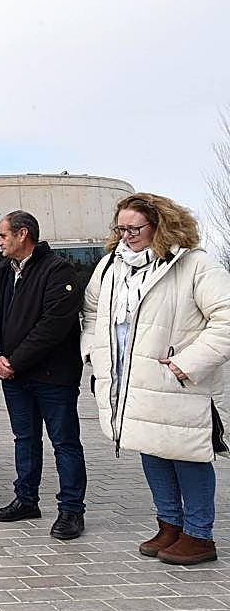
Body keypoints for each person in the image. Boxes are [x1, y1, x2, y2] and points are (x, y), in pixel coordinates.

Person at [82, 193, 230, 565]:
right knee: (151, 448)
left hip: (179, 381)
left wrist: (188, 363)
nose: (127, 235)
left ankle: (199, 535)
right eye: (121, 228)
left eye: (135, 228)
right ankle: (169, 525)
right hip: (131, 379)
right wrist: (94, 352)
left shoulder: (195, 264)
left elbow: (226, 318)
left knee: (187, 454)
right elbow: (91, 310)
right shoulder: (110, 266)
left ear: (160, 224)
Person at [0, 211, 88, 540]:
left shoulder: (57, 269)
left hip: (52, 376)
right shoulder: (1, 273)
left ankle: (71, 510)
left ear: (22, 234)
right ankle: (26, 499)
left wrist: (14, 361)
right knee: (24, 439)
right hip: (13, 377)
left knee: (64, 442)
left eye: (3, 235)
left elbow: (52, 327)